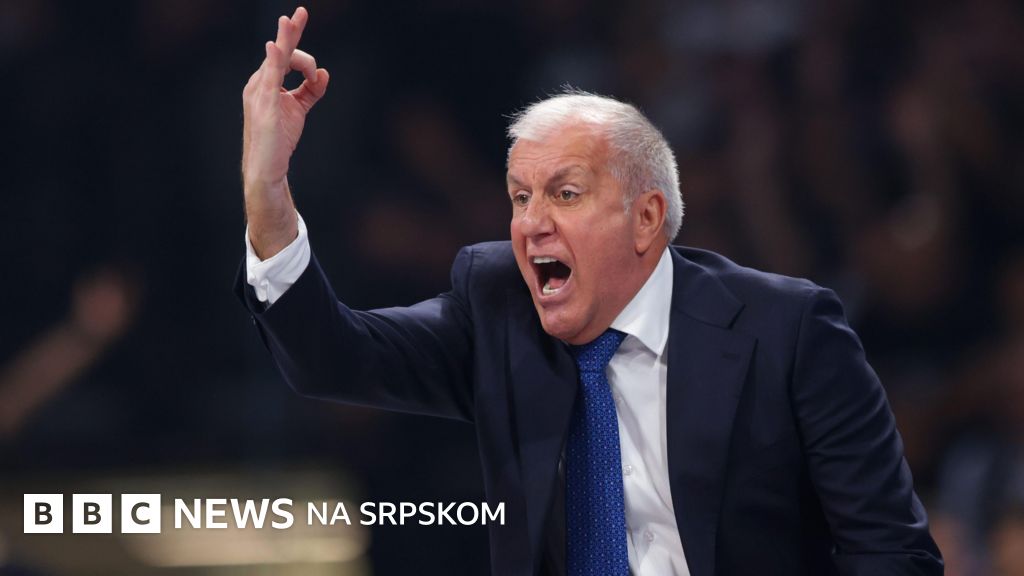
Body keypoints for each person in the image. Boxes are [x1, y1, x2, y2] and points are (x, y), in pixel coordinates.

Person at [237, 7, 943, 575]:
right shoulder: (499, 308)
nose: (531, 223)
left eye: (565, 193)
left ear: (647, 218)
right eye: (520, 197)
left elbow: (891, 551)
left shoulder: (786, 332)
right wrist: (267, 192)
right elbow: (332, 357)